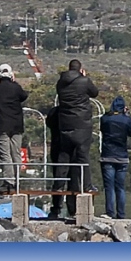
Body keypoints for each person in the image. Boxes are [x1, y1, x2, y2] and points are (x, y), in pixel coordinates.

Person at [55, 58, 99, 217]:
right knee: (82, 157)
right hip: (82, 124)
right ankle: (87, 186)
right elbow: (95, 93)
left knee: (64, 156)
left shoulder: (60, 83)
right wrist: (84, 77)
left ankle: (58, 186)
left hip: (65, 124)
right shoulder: (84, 81)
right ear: (80, 69)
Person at [0, 62, 28, 193]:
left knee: (5, 154)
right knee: (16, 153)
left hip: (1, 125)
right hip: (16, 125)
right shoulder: (16, 88)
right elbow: (24, 96)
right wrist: (14, 82)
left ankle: (8, 181)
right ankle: (17, 180)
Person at [100, 96, 131, 219]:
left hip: (107, 156)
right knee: (120, 187)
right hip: (122, 157)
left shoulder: (105, 119)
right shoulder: (126, 120)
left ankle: (110, 213)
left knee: (109, 187)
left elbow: (102, 128)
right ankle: (121, 214)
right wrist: (127, 115)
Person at [46, 105, 64, 219]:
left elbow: (49, 123)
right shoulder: (71, 112)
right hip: (67, 149)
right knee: (73, 178)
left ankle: (56, 207)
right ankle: (73, 209)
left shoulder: (53, 112)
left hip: (56, 148)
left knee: (58, 179)